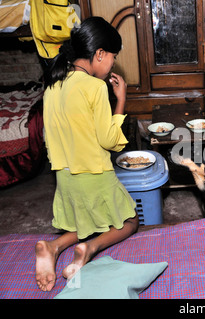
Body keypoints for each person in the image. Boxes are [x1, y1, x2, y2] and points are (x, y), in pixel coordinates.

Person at [35, 17, 139, 292]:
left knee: (90, 221)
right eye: (112, 58)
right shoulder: (94, 87)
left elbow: (49, 136)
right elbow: (110, 142)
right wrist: (121, 100)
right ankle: (89, 249)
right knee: (129, 221)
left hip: (65, 177)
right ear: (100, 54)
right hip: (94, 174)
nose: (112, 65)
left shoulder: (54, 85)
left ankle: (54, 246)